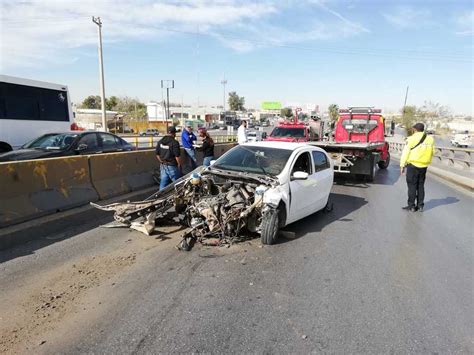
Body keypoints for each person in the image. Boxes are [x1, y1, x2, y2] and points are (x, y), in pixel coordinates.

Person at [400, 122, 435, 212]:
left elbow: (406, 152)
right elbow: (433, 152)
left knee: (412, 185)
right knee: (420, 185)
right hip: (424, 165)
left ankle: (411, 206)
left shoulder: (411, 139)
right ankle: (420, 206)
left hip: (413, 165)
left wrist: (402, 165)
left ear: (415, 129)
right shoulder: (430, 139)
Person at [156, 126, 182, 190]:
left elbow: (157, 154)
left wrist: (161, 162)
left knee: (163, 183)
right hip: (172, 166)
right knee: (178, 183)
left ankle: (160, 197)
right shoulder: (174, 142)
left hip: (163, 165)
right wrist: (179, 164)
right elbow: (177, 156)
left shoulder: (160, 141)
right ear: (174, 133)